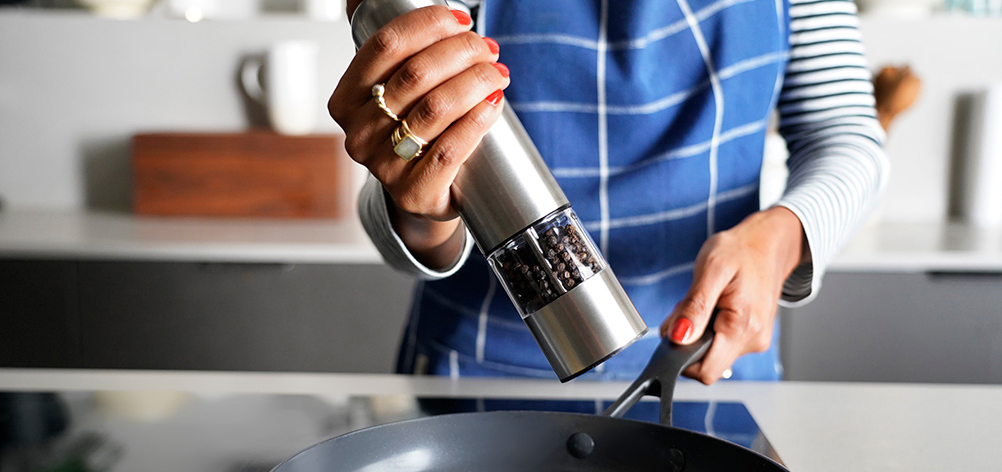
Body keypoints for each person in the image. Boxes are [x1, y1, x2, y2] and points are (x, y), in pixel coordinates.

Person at [329, 0, 887, 389]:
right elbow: (399, 186)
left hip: (711, 364)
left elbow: (848, 140)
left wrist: (782, 239)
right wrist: (421, 209)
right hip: (481, 373)